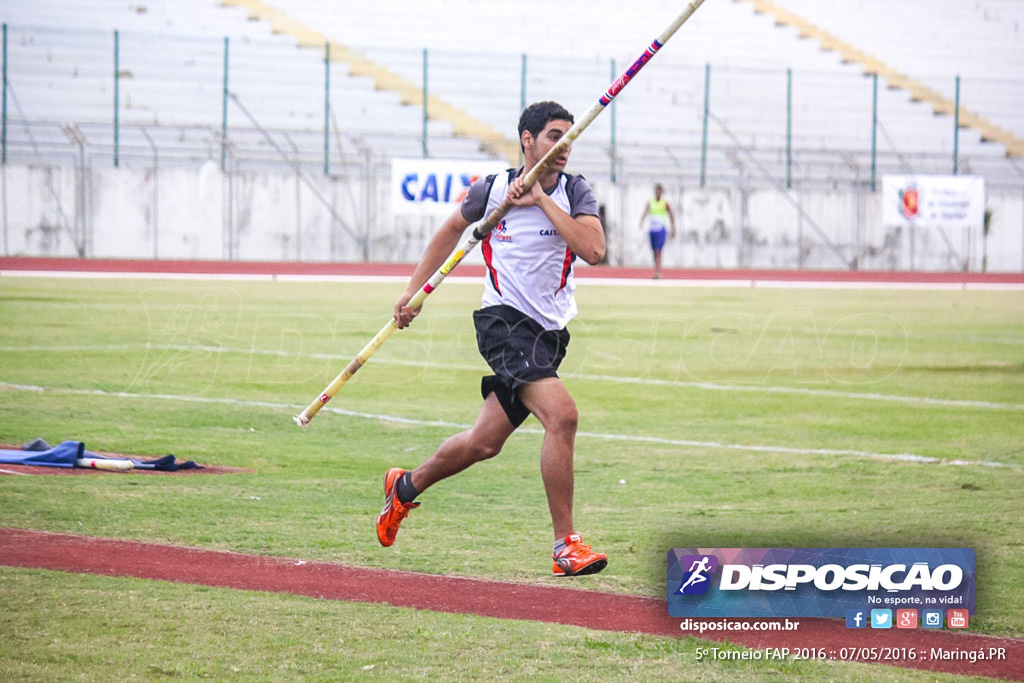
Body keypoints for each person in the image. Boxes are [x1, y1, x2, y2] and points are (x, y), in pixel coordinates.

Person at [377, 101, 608, 577]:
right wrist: (414, 292)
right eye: (553, 136)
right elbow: (451, 229)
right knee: (562, 417)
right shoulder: (493, 190)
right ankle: (565, 545)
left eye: (569, 136)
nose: (563, 145)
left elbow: (594, 250)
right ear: (527, 139)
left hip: (548, 333)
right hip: (504, 324)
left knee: (485, 443)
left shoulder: (574, 191)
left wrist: (542, 200)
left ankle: (404, 487)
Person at [638, 183, 676, 278]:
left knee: (659, 250)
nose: (658, 193)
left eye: (659, 191)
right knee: (654, 251)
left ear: (661, 192)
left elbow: (671, 215)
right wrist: (642, 221)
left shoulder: (665, 203)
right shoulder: (650, 202)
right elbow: (645, 212)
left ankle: (658, 271)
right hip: (652, 230)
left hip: (661, 229)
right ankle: (656, 269)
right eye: (656, 191)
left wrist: (673, 228)